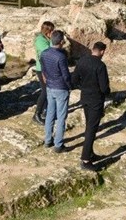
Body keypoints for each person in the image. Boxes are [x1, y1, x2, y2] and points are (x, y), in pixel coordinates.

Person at [72, 41, 111, 170]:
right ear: (102, 51)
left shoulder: (82, 61)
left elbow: (74, 80)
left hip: (85, 98)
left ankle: (90, 153)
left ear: (93, 49)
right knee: (91, 129)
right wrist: (107, 93)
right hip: (96, 100)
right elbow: (104, 87)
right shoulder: (100, 65)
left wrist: (83, 87)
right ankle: (85, 160)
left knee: (90, 126)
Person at [40, 30, 72, 151]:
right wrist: (70, 86)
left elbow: (43, 70)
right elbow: (66, 75)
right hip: (61, 88)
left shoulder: (44, 53)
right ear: (61, 41)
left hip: (50, 86)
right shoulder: (61, 56)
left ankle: (48, 140)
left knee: (50, 114)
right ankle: (58, 144)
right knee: (61, 117)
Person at [32, 20, 55, 124]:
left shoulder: (46, 38)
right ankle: (37, 114)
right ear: (47, 31)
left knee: (49, 91)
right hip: (42, 69)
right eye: (51, 31)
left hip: (48, 68)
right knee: (45, 92)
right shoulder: (40, 40)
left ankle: (45, 111)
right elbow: (49, 51)